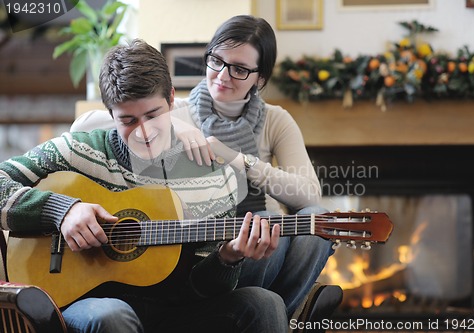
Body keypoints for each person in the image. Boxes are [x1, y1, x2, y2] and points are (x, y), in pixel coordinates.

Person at [72, 15, 342, 331]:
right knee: (265, 244)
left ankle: (281, 316)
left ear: (260, 78)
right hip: (206, 252)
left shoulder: (275, 121)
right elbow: (85, 125)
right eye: (216, 61)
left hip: (262, 241)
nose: (223, 76)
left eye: (240, 69)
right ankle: (271, 315)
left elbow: (310, 195)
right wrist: (175, 123)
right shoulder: (173, 108)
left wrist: (237, 159)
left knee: (316, 222)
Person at [1, 39, 291, 332]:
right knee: (112, 314)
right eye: (128, 120)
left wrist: (228, 258)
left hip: (175, 311)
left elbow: (200, 290)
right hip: (90, 304)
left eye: (154, 115)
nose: (144, 132)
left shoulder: (215, 177)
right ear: (111, 115)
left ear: (172, 100)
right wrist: (62, 210)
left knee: (264, 303)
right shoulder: (76, 151)